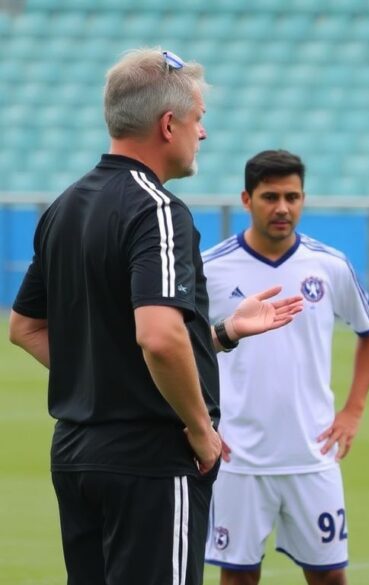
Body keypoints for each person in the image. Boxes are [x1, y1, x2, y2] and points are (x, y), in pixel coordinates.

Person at [7, 48, 303, 585]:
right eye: (198, 120)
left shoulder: (65, 206)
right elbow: (158, 338)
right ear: (169, 125)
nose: (203, 135)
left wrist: (223, 334)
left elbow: (26, 328)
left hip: (76, 454)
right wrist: (199, 430)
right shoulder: (158, 210)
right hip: (148, 458)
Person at [202, 150, 369, 585]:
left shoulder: (329, 265)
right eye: (270, 197)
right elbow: (184, 346)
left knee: (329, 578)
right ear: (246, 199)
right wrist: (199, 420)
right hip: (237, 456)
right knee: (239, 578)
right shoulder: (211, 267)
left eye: (292, 196)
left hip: (311, 453)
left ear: (303, 198)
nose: (282, 207)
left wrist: (353, 410)